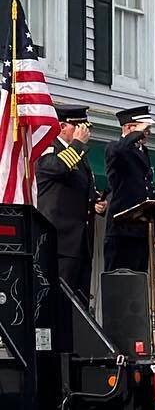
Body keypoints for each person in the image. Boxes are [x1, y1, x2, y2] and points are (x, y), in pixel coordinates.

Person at [35, 104, 104, 304]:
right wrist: (77, 145)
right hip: (60, 241)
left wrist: (95, 203)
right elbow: (56, 169)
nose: (84, 131)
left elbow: (80, 189)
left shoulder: (79, 156)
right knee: (60, 301)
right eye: (78, 127)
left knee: (79, 303)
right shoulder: (48, 147)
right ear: (62, 127)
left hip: (81, 242)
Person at [103, 104, 155, 273]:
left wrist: (152, 231)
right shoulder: (115, 147)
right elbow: (120, 151)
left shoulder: (143, 152)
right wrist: (135, 134)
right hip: (121, 229)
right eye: (144, 129)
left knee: (138, 283)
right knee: (119, 281)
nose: (147, 133)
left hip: (140, 230)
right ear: (129, 127)